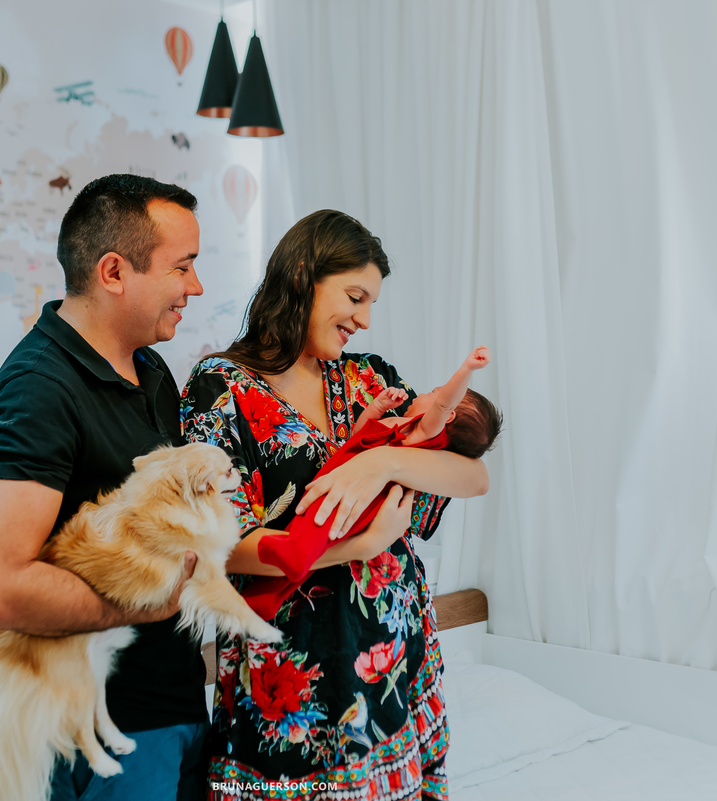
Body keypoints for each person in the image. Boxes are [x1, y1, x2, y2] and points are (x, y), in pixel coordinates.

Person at [181, 209, 490, 800]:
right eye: (355, 296)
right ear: (302, 274)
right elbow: (218, 547)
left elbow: (472, 476)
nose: (364, 319)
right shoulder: (221, 389)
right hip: (289, 675)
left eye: (371, 303)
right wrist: (364, 544)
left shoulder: (371, 381)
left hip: (394, 665)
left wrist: (385, 462)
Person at [0, 174, 210, 801]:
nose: (195, 288)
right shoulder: (38, 391)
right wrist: (145, 603)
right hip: (97, 733)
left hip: (172, 708)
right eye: (182, 268)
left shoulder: (151, 370)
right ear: (113, 272)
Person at [244, 347, 503, 618]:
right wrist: (378, 407)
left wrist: (466, 369)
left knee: (312, 534)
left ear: (447, 416)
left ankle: (294, 555)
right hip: (335, 483)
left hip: (358, 499)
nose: (425, 393)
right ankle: (262, 597)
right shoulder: (398, 422)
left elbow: (445, 404)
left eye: (434, 392)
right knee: (302, 540)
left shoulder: (422, 435)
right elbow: (358, 437)